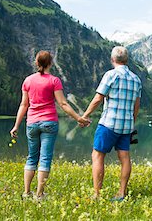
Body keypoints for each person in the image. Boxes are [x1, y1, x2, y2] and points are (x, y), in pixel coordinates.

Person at [10, 50, 90, 200]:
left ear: (36, 63)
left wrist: (16, 125)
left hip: (32, 123)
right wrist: (78, 118)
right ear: (50, 63)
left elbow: (24, 104)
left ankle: (26, 193)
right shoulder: (54, 81)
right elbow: (63, 104)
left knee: (32, 157)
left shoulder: (27, 81)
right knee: (45, 158)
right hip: (49, 123)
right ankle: (39, 195)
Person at [82, 46, 141, 201]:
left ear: (112, 59)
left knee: (98, 155)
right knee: (125, 157)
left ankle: (97, 194)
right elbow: (136, 106)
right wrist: (131, 122)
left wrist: (85, 116)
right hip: (126, 126)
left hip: (109, 123)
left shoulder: (111, 75)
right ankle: (122, 193)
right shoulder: (136, 79)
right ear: (127, 60)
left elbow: (97, 99)